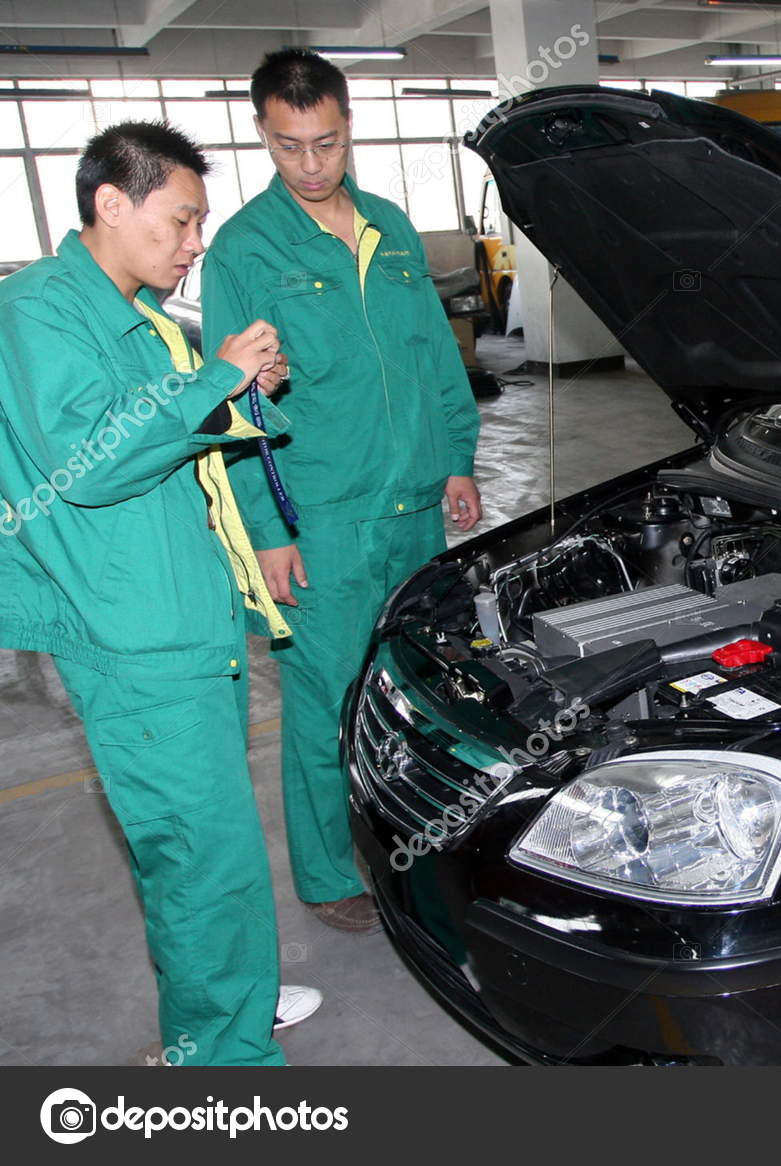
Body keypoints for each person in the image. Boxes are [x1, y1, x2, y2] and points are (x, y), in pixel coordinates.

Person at [0, 122, 321, 1064]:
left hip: (192, 617)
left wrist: (252, 387)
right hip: (135, 637)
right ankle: (220, 1060)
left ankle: (229, 1003)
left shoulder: (140, 315)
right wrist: (219, 374)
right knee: (197, 860)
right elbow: (90, 459)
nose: (193, 245)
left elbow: (191, 428)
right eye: (182, 221)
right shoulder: (40, 309)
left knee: (214, 847)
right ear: (111, 203)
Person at [202, 49, 482, 934]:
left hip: (413, 510)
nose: (312, 165)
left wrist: (460, 459)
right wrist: (267, 532)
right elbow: (231, 405)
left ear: (348, 125)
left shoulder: (391, 229)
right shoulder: (243, 252)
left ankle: (409, 838)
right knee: (325, 703)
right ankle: (329, 877)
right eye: (290, 147)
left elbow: (435, 357)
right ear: (263, 136)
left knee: (413, 689)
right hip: (319, 520)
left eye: (326, 142)